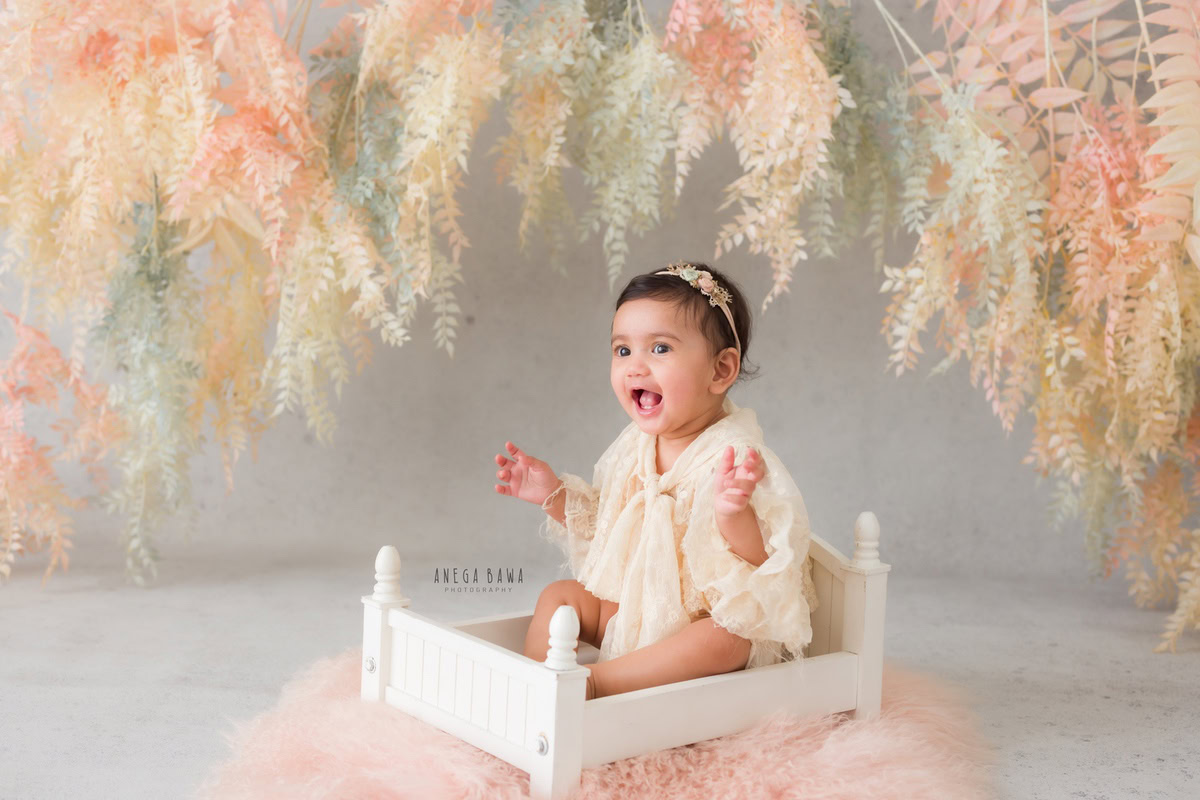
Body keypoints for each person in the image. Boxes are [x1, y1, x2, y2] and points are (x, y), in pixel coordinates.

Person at [493, 261, 818, 700]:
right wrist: (553, 496)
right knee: (559, 597)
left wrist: (731, 514)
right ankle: (539, 685)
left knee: (726, 639)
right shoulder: (635, 447)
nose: (634, 367)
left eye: (660, 348)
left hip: (697, 623)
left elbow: (764, 563)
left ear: (720, 370)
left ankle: (597, 683)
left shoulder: (734, 458)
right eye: (623, 350)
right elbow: (608, 529)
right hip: (637, 607)